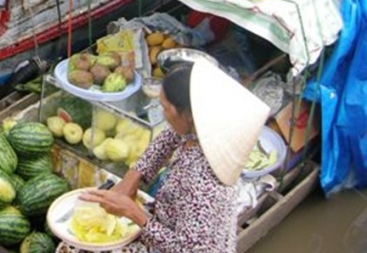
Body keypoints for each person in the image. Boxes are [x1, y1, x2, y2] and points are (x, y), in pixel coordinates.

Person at [64, 60, 270, 253]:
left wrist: (133, 213)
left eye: (165, 108)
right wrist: (133, 177)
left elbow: (187, 249)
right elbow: (168, 137)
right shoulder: (199, 128)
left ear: (188, 115)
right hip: (170, 223)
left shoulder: (202, 180)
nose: (163, 114)